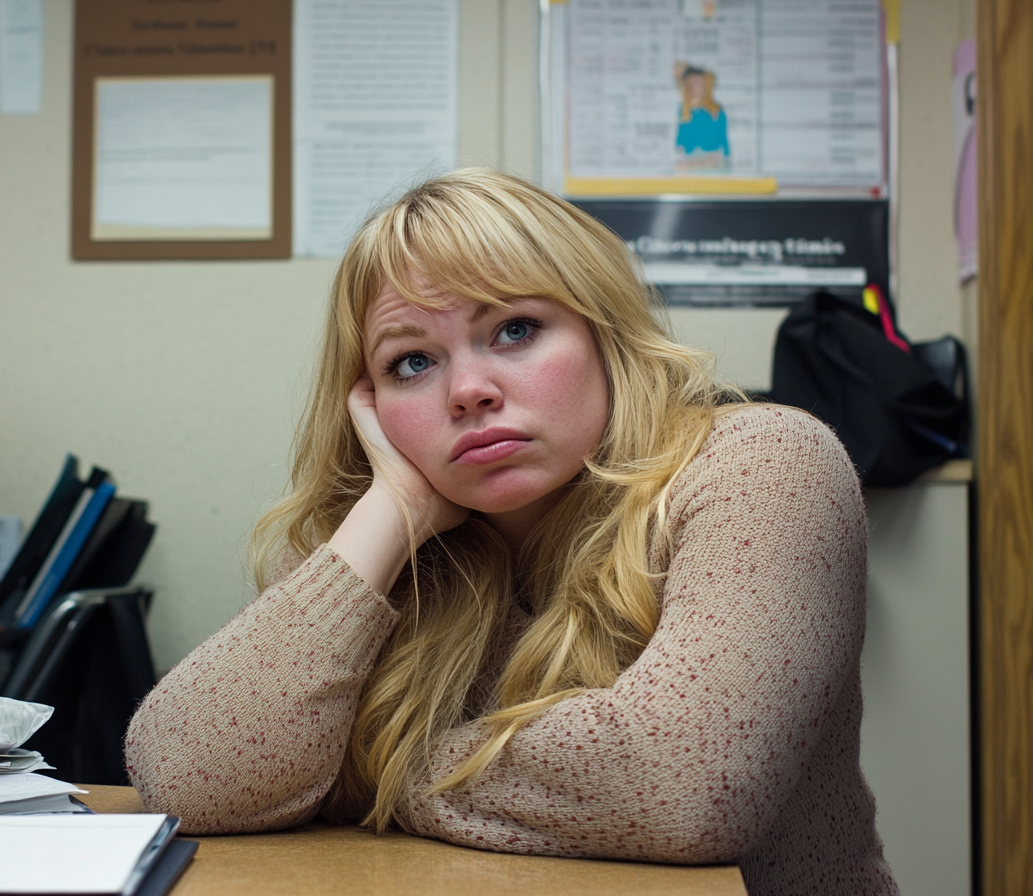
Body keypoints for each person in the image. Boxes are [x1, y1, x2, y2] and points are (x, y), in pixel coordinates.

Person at [125, 169, 898, 896]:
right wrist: (392, 511)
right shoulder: (377, 536)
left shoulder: (763, 464)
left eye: (515, 329)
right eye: (411, 363)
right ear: (369, 403)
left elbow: (680, 784)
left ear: (602, 334)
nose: (467, 391)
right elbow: (189, 774)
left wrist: (378, 770)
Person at [674, 62, 730, 172]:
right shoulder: (684, 111)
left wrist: (724, 158)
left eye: (700, 83)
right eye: (693, 84)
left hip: (713, 159)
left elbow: (722, 137)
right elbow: (682, 135)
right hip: (690, 160)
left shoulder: (716, 110)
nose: (697, 87)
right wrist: (681, 157)